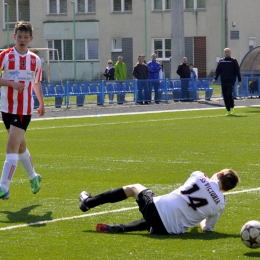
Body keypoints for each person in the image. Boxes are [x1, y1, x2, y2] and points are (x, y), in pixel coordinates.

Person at [79, 169, 239, 235]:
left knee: (134, 188)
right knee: (165, 217)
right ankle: (119, 228)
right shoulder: (221, 204)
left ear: (218, 173)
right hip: (167, 230)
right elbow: (207, 228)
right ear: (226, 190)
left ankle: (88, 202)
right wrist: (202, 218)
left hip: (156, 210)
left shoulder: (199, 175)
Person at [0, 21, 45, 199]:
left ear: (31, 39)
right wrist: (10, 83)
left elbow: (36, 83)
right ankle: (34, 177)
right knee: (20, 147)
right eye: (20, 36)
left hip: (23, 109)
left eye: (26, 37)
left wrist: (41, 103)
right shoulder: (4, 56)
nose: (23, 40)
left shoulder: (35, 60)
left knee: (11, 146)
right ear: (14, 37)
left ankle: (3, 187)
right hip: (6, 108)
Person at [212, 48, 242, 116]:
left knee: (229, 94)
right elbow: (217, 71)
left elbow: (237, 70)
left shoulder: (233, 61)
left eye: (228, 52)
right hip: (223, 81)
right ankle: (228, 110)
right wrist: (215, 78)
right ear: (224, 53)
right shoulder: (221, 61)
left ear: (230, 53)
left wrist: (239, 80)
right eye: (225, 52)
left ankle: (232, 107)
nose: (227, 53)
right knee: (225, 96)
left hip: (231, 80)